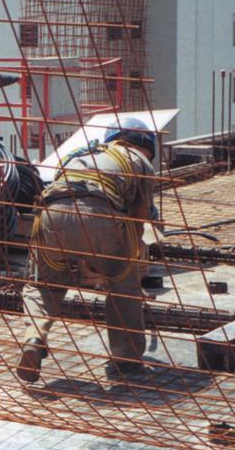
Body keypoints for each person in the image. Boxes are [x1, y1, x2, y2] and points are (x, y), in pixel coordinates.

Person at [16, 117, 157, 384]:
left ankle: (34, 338)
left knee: (41, 284)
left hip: (49, 214)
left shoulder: (81, 154)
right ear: (146, 145)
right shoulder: (141, 162)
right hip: (99, 212)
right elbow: (139, 217)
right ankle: (126, 360)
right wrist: (125, 260)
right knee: (123, 286)